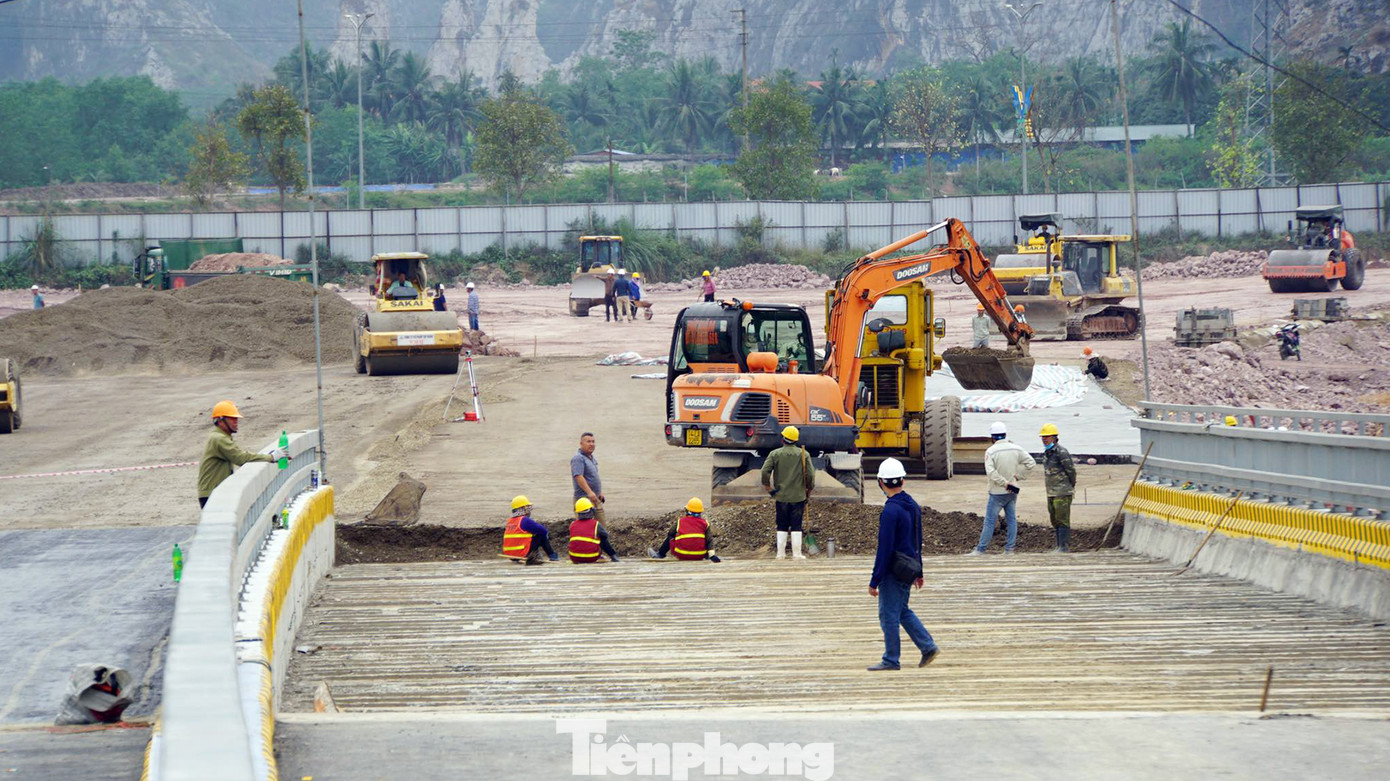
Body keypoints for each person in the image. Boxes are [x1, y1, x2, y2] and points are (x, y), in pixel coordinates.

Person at [867, 458, 939, 671]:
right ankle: (927, 647)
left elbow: (885, 548)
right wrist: (919, 571)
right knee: (902, 610)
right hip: (909, 568)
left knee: (888, 614)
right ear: (903, 481)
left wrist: (875, 579)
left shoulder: (890, 511)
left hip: (893, 570)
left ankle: (891, 659)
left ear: (881, 482)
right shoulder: (912, 505)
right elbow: (917, 540)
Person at [197, 400, 285, 508]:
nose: (236, 422)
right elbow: (241, 458)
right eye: (232, 419)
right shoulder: (219, 439)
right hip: (212, 494)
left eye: (236, 419)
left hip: (212, 492)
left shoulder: (220, 437)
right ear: (220, 421)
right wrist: (271, 457)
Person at [968, 421, 1035, 555]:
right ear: (1005, 434)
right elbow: (1031, 463)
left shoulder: (991, 451)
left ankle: (981, 549)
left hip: (997, 492)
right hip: (1013, 491)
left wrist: (1004, 483)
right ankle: (1009, 549)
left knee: (990, 522)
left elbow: (991, 472)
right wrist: (1019, 476)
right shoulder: (1016, 448)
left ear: (992, 437)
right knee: (1011, 520)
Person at [760, 425, 814, 559]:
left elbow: (764, 471)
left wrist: (767, 486)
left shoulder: (775, 454)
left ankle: (780, 554)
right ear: (796, 440)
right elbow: (810, 475)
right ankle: (797, 554)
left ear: (783, 439)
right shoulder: (803, 454)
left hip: (781, 496)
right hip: (798, 496)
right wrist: (809, 489)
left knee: (782, 524)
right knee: (796, 525)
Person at [1040, 424, 1077, 553]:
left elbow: (1071, 470)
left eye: (1047, 437)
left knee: (1062, 519)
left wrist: (1070, 486)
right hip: (1051, 492)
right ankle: (1059, 545)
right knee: (1054, 519)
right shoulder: (1047, 453)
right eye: (1043, 437)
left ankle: (1063, 546)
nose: (1044, 439)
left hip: (1062, 492)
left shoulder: (1061, 452)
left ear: (1054, 438)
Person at [648, 498, 720, 562]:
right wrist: (712, 556)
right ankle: (708, 556)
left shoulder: (680, 522)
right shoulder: (705, 523)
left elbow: (670, 533)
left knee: (670, 537)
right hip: (700, 555)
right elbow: (709, 540)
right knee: (704, 537)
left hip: (681, 554)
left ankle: (660, 554)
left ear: (687, 511)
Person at [502, 495, 559, 564]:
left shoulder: (510, 521)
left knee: (529, 535)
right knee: (541, 535)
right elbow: (543, 531)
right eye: (527, 508)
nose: (529, 510)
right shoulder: (525, 520)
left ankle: (536, 555)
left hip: (510, 555)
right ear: (522, 509)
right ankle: (552, 556)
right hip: (522, 553)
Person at [569, 497, 620, 563]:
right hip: (591, 556)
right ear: (591, 510)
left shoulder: (573, 524)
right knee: (602, 538)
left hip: (574, 557)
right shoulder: (595, 524)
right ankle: (613, 556)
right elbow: (605, 536)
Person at [571, 432, 606, 525]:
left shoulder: (591, 458)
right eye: (588, 441)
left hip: (595, 498)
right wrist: (589, 492)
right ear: (581, 443)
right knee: (584, 527)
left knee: (601, 526)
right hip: (584, 500)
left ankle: (601, 540)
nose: (591, 444)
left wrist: (600, 491)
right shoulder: (578, 458)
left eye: (593, 442)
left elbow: (594, 476)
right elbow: (578, 476)